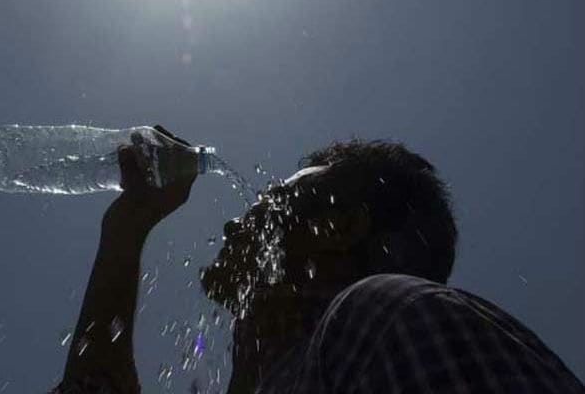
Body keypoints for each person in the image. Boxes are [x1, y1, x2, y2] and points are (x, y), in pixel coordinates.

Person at [52, 127, 584, 393]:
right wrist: (126, 228)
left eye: (271, 205)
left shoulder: (386, 319)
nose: (235, 225)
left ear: (339, 227)